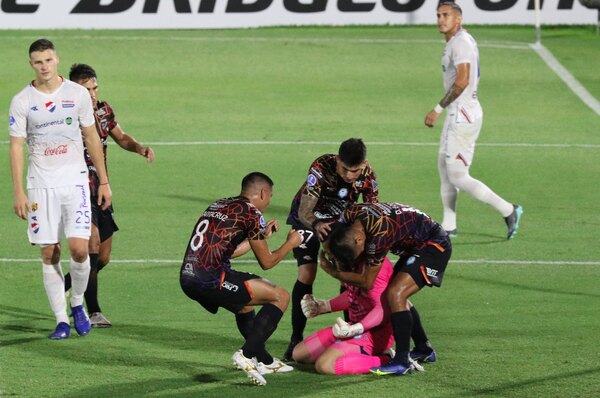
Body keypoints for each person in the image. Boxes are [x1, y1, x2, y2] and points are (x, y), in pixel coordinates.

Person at [8, 39, 112, 339]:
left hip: (75, 181)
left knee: (80, 250)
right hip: (40, 185)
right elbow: (16, 147)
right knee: (49, 252)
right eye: (38, 62)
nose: (44, 66)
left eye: (49, 60)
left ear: (57, 60)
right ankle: (61, 320)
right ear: (32, 65)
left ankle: (77, 302)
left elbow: (91, 137)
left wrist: (103, 181)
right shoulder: (22, 101)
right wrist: (18, 191)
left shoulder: (76, 94)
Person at [179, 172, 302, 386]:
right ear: (263, 193)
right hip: (210, 277)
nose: (269, 201)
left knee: (243, 306)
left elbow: (228, 250)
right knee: (280, 296)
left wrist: (261, 235)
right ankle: (246, 354)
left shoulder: (220, 205)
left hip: (188, 276)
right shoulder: (252, 213)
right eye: (270, 196)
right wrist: (291, 243)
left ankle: (265, 361)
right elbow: (268, 262)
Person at [62, 63, 155, 328]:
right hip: (76, 188)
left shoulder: (103, 111)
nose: (92, 94)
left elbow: (121, 136)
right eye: (86, 89)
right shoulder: (66, 114)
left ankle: (63, 286)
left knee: (102, 257)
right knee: (90, 246)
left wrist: (138, 147)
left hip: (101, 188)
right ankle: (92, 311)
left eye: (94, 88)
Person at [424, 2, 523, 240]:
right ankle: (449, 226)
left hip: (463, 115)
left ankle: (509, 210)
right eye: (438, 15)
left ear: (458, 19)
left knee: (458, 175)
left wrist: (437, 108)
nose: (440, 19)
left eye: (446, 15)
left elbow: (462, 81)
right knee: (444, 168)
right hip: (458, 113)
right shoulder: (456, 40)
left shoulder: (460, 43)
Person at [321, 202, 451, 376]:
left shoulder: (379, 235)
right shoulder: (351, 215)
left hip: (434, 246)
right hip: (413, 247)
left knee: (396, 293)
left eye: (360, 251)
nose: (363, 254)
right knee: (395, 296)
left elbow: (367, 282)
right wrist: (332, 253)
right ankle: (423, 349)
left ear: (359, 239)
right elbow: (333, 236)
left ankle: (402, 362)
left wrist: (334, 272)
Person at [283, 138, 379, 361]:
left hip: (339, 224)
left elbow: (371, 213)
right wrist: (317, 224)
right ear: (337, 160)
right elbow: (304, 211)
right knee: (306, 275)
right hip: (309, 222)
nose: (349, 175)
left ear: (363, 165)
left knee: (348, 277)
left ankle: (350, 334)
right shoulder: (321, 167)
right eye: (344, 169)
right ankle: (296, 338)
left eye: (354, 171)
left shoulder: (369, 177)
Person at [292, 257, 414, 375]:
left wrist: (356, 328)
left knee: (325, 365)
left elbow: (384, 308)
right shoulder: (353, 262)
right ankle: (348, 350)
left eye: (332, 256)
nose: (331, 259)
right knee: (299, 354)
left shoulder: (374, 266)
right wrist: (323, 307)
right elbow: (353, 295)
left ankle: (387, 358)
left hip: (376, 333)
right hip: (354, 326)